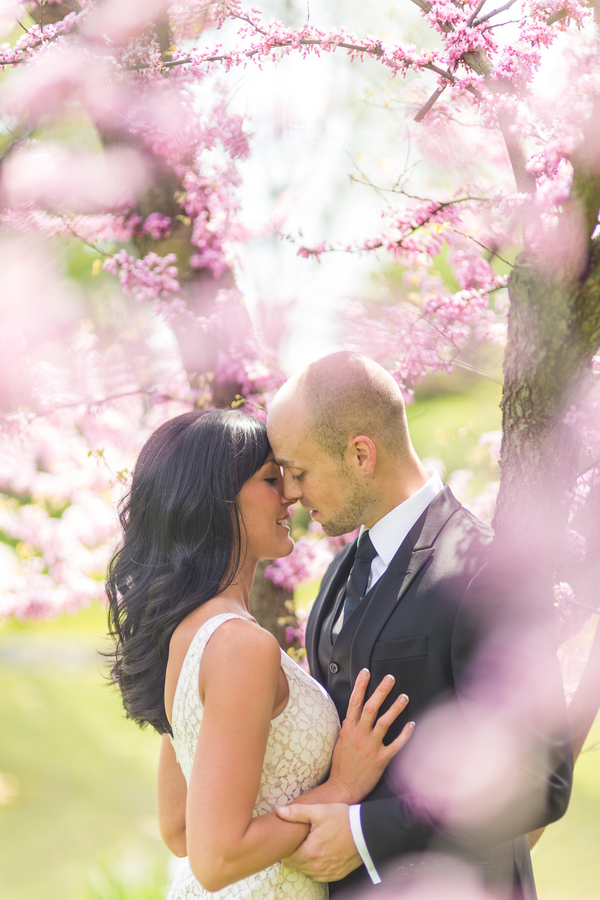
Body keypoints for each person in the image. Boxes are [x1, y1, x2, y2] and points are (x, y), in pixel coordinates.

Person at [267, 351, 573, 898]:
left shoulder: (489, 572)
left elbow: (537, 781)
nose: (290, 493)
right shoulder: (341, 569)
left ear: (361, 454)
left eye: (300, 471)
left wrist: (364, 833)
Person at [105, 408, 415, 900]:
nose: (291, 493)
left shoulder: (188, 632)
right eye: (272, 478)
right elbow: (215, 857)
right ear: (218, 502)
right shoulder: (239, 646)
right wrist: (340, 789)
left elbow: (180, 828)